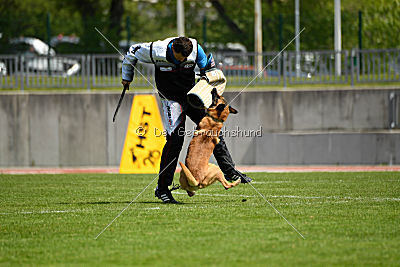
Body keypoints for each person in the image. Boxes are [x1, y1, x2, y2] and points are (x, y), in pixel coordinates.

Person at [121, 36, 252, 203]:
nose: (183, 61)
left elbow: (209, 70)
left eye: (186, 59)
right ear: (173, 49)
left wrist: (210, 82)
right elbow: (132, 52)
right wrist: (127, 76)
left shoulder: (196, 49)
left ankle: (229, 170)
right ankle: (162, 189)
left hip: (192, 96)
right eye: (180, 58)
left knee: (212, 128)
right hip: (171, 99)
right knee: (175, 139)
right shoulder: (155, 50)